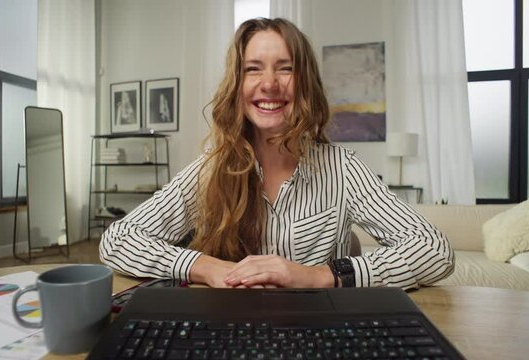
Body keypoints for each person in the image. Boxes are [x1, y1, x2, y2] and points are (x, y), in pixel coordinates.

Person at [100, 18, 454, 289]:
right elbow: (117, 241)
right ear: (237, 85)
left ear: (306, 83)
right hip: (229, 330)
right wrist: (208, 268)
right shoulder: (209, 170)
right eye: (253, 68)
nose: (269, 83)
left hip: (316, 334)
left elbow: (434, 250)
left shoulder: (344, 169)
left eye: (285, 68)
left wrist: (319, 276)